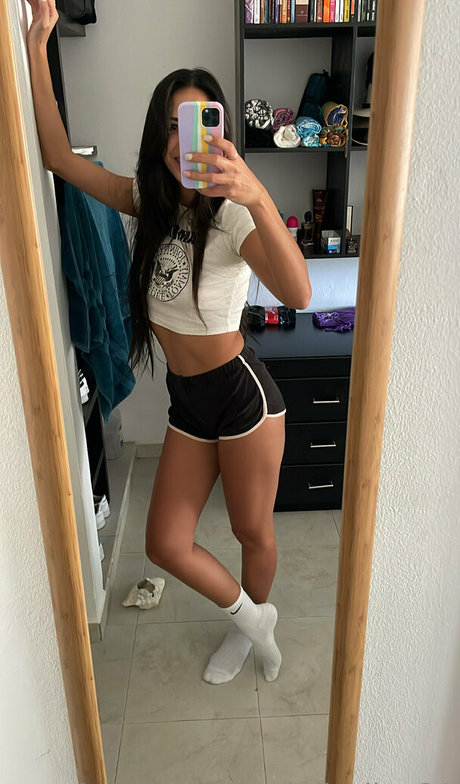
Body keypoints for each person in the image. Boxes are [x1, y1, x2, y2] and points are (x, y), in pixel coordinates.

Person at [26, 0, 312, 684]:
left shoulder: (234, 215)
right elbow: (59, 158)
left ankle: (250, 630)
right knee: (164, 543)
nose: (189, 145)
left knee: (252, 532)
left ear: (221, 134)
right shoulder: (147, 203)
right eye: (178, 129)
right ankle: (254, 617)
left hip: (242, 399)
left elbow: (298, 294)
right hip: (190, 402)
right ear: (162, 138)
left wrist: (258, 195)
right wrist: (36, 45)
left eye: (202, 126)